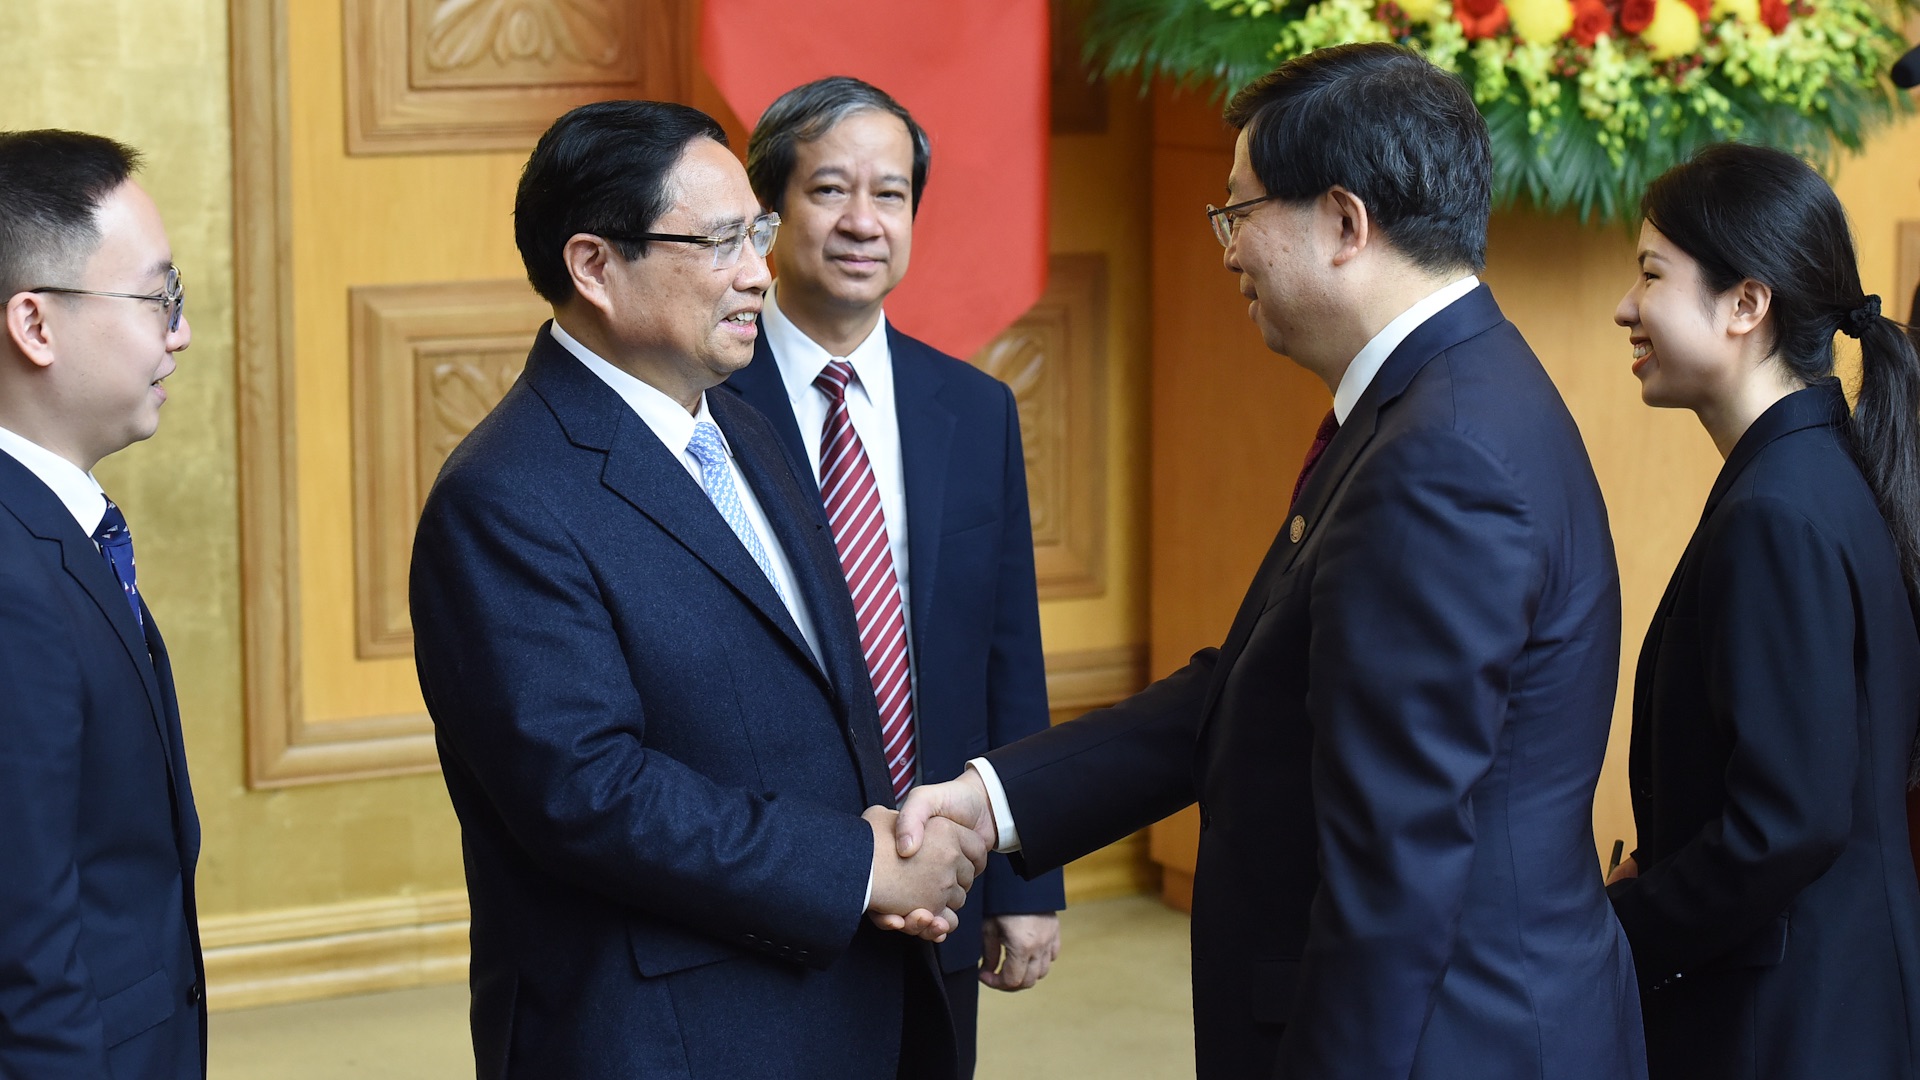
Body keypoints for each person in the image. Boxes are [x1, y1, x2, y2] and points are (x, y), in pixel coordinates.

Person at [895, 43, 1645, 1079]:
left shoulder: (1440, 458)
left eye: (1238, 212)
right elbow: (1254, 686)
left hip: (1452, 1037)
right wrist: (991, 798)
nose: (1227, 251)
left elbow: (1397, 869)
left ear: (1343, 222)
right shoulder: (1437, 400)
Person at [408, 100, 984, 1080]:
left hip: (841, 989)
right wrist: (855, 868)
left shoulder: (741, 428)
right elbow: (588, 794)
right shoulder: (503, 499)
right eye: (722, 241)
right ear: (593, 264)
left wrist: (887, 854)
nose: (761, 271)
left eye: (757, 232)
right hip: (672, 1035)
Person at [719, 76, 1063, 1076]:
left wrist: (1027, 880)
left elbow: (1007, 648)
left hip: (939, 877)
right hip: (769, 879)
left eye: (893, 194)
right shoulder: (703, 406)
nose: (864, 222)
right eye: (830, 191)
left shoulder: (975, 407)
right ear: (769, 213)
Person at [1603, 143, 1920, 1080]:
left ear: (1747, 305)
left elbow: (1787, 824)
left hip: (1788, 1023)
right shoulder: (1815, 470)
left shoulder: (1778, 508)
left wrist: (1618, 929)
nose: (1627, 306)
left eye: (1652, 275)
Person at [0, 130, 203, 1079]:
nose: (179, 332)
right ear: (35, 326)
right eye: (158, 297)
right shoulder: (11, 577)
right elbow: (24, 942)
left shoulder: (51, 527)